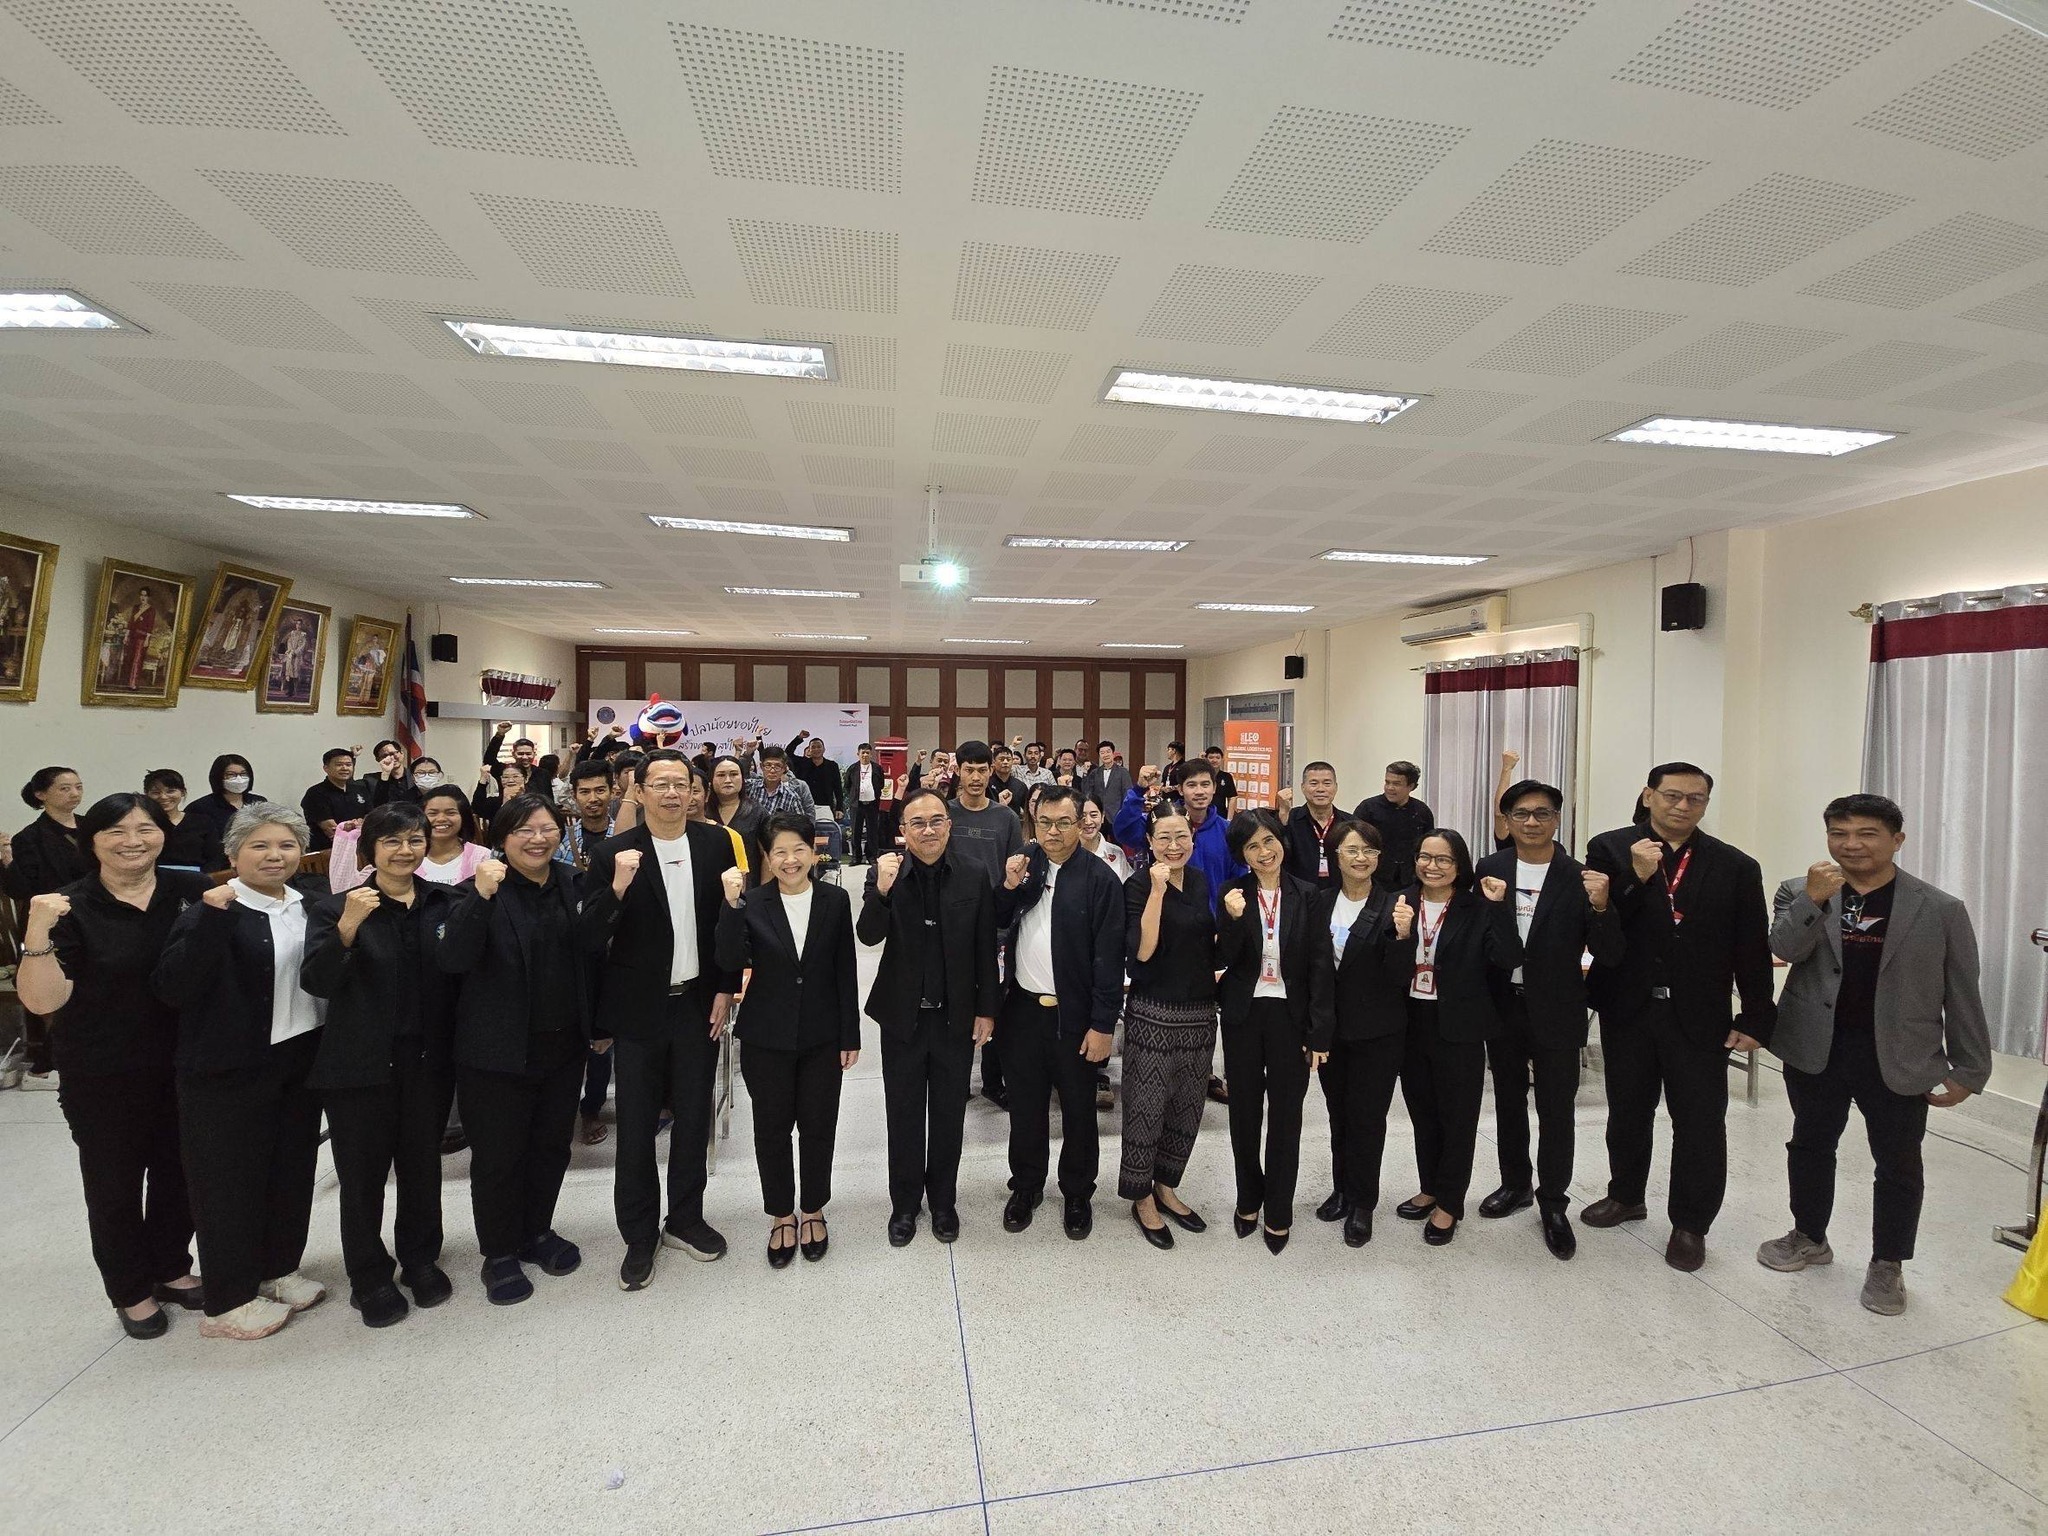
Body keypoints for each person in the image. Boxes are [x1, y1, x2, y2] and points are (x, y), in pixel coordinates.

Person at [1759, 794, 1994, 1316]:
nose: (1852, 844)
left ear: (1896, 840)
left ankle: (1888, 1262)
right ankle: (1809, 1235)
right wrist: (1812, 900)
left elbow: (1962, 991)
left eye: (1867, 833)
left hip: (1900, 1053)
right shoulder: (1799, 890)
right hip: (1816, 1047)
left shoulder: (1940, 908)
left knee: (1898, 1162)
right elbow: (1783, 949)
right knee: (1810, 1144)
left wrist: (1970, 1067)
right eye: (1839, 833)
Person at [15, 793, 207, 1338]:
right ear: (91, 840)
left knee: (180, 1172)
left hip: (186, 1062)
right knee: (114, 1184)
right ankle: (130, 1289)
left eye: (145, 829)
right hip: (104, 1070)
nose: (132, 842)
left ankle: (170, 1267)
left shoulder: (189, 891)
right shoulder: (69, 906)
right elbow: (43, 1001)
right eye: (116, 831)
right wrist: (36, 932)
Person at [1581, 763, 1775, 1272]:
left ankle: (1691, 1224)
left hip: (1700, 1013)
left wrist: (1756, 1015)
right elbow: (1601, 928)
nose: (1682, 806)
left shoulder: (1735, 865)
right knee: (1627, 1111)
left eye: (1696, 799)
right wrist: (1636, 879)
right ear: (1648, 796)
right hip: (1629, 1006)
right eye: (1672, 795)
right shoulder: (1609, 849)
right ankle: (1625, 1195)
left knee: (1700, 1122)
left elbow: (1750, 946)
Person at [154, 804, 326, 1340]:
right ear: (233, 854)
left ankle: (278, 1268)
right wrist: (212, 919)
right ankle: (228, 1300)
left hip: (298, 1058)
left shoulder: (309, 903)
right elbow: (173, 987)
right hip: (227, 1068)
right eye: (260, 846)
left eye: (287, 845)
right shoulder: (212, 908)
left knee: (290, 1170)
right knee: (228, 1184)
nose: (275, 856)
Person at [578, 749, 740, 1291]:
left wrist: (725, 987)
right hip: (638, 1009)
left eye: (682, 784)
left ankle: (686, 1219)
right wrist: (617, 889)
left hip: (697, 1003)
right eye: (661, 784)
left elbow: (725, 923)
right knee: (637, 1125)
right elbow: (590, 938)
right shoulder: (613, 852)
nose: (673, 793)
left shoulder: (715, 844)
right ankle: (639, 1233)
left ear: (695, 792)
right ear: (639, 791)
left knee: (693, 1117)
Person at [301, 802, 461, 1326]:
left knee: (422, 1166)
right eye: (391, 841)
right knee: (362, 1176)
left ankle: (420, 1258)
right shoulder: (336, 907)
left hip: (426, 1061)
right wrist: (348, 927)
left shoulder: (444, 902)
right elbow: (318, 981)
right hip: (358, 1065)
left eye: (414, 839)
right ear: (369, 849)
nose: (404, 850)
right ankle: (368, 1275)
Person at [438, 796, 593, 1306]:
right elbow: (453, 959)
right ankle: (499, 1252)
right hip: (496, 1051)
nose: (537, 839)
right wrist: (481, 898)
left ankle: (537, 1231)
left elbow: (592, 956)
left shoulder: (572, 882)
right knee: (499, 1156)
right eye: (524, 830)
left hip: (562, 1044)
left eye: (547, 828)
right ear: (501, 838)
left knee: (551, 1146)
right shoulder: (476, 889)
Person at [1473, 780, 1622, 1260]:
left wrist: (1602, 907)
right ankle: (1515, 1183)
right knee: (1508, 1101)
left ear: (1558, 819)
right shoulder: (1491, 867)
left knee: (1557, 1110)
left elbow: (1609, 952)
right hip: (1503, 1005)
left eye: (1542, 813)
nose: (1532, 822)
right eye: (1521, 813)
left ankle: (1553, 1202)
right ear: (1507, 820)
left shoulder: (1582, 877)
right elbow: (1480, 935)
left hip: (1558, 1008)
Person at [715, 813, 862, 1267]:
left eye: (799, 849)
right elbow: (727, 958)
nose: (790, 859)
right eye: (779, 851)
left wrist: (850, 1034)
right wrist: (730, 907)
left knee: (819, 1125)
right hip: (766, 1037)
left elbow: (845, 968)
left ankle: (813, 1208)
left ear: (813, 851)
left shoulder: (835, 900)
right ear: (766, 856)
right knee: (772, 1129)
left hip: (822, 1035)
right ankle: (781, 1213)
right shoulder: (752, 902)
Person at [858, 788, 999, 1248]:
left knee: (947, 1115)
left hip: (955, 1018)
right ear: (903, 830)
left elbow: (985, 947)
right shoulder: (887, 873)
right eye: (917, 823)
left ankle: (943, 1202)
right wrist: (881, 890)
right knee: (902, 1114)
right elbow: (868, 935)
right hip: (902, 1018)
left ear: (949, 825)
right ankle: (903, 1204)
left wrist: (986, 1010)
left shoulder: (973, 873)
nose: (929, 830)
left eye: (936, 820)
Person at [992, 786, 1123, 1240]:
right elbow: (996, 919)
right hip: (1023, 1012)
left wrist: (1103, 1025)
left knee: (1079, 1111)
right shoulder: (1024, 864)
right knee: (1026, 1107)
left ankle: (1078, 1192)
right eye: (1045, 822)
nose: (1053, 832)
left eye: (1063, 822)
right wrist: (1008, 886)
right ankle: (1026, 1186)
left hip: (1076, 1018)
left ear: (1082, 823)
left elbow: (1110, 960)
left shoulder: (1100, 879)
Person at [1390, 829, 1520, 1247]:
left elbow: (1508, 957)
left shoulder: (1477, 905)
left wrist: (1499, 908)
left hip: (1460, 1025)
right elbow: (1385, 965)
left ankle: (1450, 1202)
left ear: (1459, 865)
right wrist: (1402, 937)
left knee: (1458, 1119)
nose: (1432, 866)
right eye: (1425, 857)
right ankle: (1430, 1186)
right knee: (1422, 1112)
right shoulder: (1399, 901)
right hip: (1411, 1022)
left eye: (1443, 859)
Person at [1214, 808, 1332, 1254]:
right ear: (1242, 855)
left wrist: (1319, 1034)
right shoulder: (1232, 892)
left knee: (1286, 1117)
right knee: (1244, 1114)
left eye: (1269, 841)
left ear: (1282, 842)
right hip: (1244, 1015)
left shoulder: (1308, 894)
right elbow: (1224, 959)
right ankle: (1249, 1198)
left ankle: (1279, 1207)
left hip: (1290, 1016)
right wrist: (1232, 919)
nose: (1264, 852)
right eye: (1252, 846)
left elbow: (1320, 965)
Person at [1120, 806, 1217, 1250]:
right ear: (1150, 842)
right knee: (1146, 1107)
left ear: (1192, 838)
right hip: (1153, 1012)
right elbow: (1143, 951)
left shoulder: (1198, 880)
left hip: (1199, 1012)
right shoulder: (1138, 885)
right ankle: (1141, 1197)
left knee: (1187, 1108)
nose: (1174, 846)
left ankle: (1167, 1185)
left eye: (1181, 836)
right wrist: (1157, 892)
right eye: (1164, 837)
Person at [1310, 819, 1406, 1247]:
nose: (1361, 858)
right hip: (1333, 1032)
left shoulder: (1394, 905)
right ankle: (1342, 1189)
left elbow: (1401, 975)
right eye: (1352, 850)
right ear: (1336, 855)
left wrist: (1403, 937)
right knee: (1338, 1114)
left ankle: (1363, 1202)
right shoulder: (1320, 902)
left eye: (1369, 850)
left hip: (1378, 1032)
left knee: (1367, 1119)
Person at [944, 742, 1025, 1106]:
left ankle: (994, 1082)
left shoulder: (1005, 818)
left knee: (996, 1003)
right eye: (969, 770)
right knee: (956, 1003)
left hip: (996, 926)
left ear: (991, 771)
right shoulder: (945, 814)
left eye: (982, 770)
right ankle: (956, 1080)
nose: (975, 777)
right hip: (952, 925)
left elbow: (1015, 873)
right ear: (958, 772)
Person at [3, 765, 89, 1087]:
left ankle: (63, 1057)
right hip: (55, 923)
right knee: (64, 991)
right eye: (64, 788)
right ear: (41, 794)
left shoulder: (91, 827)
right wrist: (7, 860)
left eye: (78, 786)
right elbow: (21, 889)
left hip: (92, 914)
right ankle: (44, 1063)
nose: (74, 794)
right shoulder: (30, 837)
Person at [330, 785, 488, 892]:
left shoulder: (482, 857)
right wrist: (346, 840)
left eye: (450, 813)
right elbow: (345, 890)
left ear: (464, 817)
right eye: (432, 813)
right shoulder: (403, 855)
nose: (441, 819)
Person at [1354, 761, 1433, 893]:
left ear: (1411, 786)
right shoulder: (1368, 808)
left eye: (1396, 784)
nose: (1389, 788)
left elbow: (1428, 846)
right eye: (1387, 782)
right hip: (1375, 878)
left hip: (1410, 879)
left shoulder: (1422, 811)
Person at [184, 754, 267, 872]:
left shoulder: (259, 802)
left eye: (243, 774)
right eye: (231, 775)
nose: (239, 779)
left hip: (257, 861)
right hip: (219, 868)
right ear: (218, 777)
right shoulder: (200, 808)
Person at [1277, 762, 1343, 891]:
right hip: (1297, 894)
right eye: (1313, 783)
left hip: (1337, 893)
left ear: (1336, 787)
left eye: (1327, 783)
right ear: (1303, 787)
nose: (1320, 789)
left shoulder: (1348, 823)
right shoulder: (1289, 819)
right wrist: (1283, 816)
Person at [300, 748, 373, 854]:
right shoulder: (315, 793)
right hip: (329, 852)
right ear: (326, 768)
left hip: (361, 849)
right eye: (339, 765)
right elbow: (331, 830)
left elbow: (370, 818)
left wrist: (357, 826)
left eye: (348, 765)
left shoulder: (360, 789)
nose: (344, 768)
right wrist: (358, 825)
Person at [142, 768, 207, 870]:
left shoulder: (203, 822)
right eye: (156, 792)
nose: (163, 797)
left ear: (183, 792)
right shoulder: (142, 823)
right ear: (146, 794)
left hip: (197, 877)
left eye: (170, 791)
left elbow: (214, 858)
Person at [743, 744, 816, 826]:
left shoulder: (791, 797)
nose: (772, 771)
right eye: (768, 765)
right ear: (761, 766)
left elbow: (802, 826)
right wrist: (746, 755)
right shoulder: (750, 786)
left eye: (777, 766)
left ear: (784, 768)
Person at [707, 754, 764, 853]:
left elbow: (765, 853)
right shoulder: (702, 811)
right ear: (711, 780)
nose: (728, 780)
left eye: (734, 774)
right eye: (721, 775)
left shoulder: (757, 812)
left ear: (742, 778)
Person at [1078, 792, 1132, 881]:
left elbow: (1128, 886)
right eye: (1082, 816)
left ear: (1102, 817)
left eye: (1093, 815)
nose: (1088, 822)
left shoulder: (1117, 853)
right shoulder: (1066, 854)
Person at [846, 742, 884, 864]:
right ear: (858, 754)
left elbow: (881, 784)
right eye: (863, 753)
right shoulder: (852, 768)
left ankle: (872, 856)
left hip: (872, 804)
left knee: (872, 831)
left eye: (868, 753)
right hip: (857, 805)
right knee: (855, 831)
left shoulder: (877, 768)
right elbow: (847, 785)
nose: (865, 755)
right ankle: (856, 857)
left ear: (871, 754)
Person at [1083, 740, 1134, 823]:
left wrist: (1124, 813)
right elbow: (1087, 792)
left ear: (1113, 753)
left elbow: (1127, 794)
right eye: (1102, 753)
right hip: (1098, 816)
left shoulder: (1123, 772)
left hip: (1116, 816)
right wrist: (1085, 773)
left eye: (1108, 752)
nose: (1105, 755)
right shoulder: (1095, 773)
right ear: (1099, 755)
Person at [470, 759, 529, 829]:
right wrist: (483, 779)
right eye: (505, 777)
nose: (510, 780)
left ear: (526, 779)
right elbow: (476, 809)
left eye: (515, 776)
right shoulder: (495, 802)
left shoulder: (533, 801)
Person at [1204, 746, 1237, 818]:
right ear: (1206, 759)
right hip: (1203, 815)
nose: (1214, 760)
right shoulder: (1201, 776)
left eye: (1218, 758)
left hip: (1221, 815)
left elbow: (1232, 797)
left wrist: (1229, 819)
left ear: (1222, 759)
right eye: (1211, 757)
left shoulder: (1227, 776)